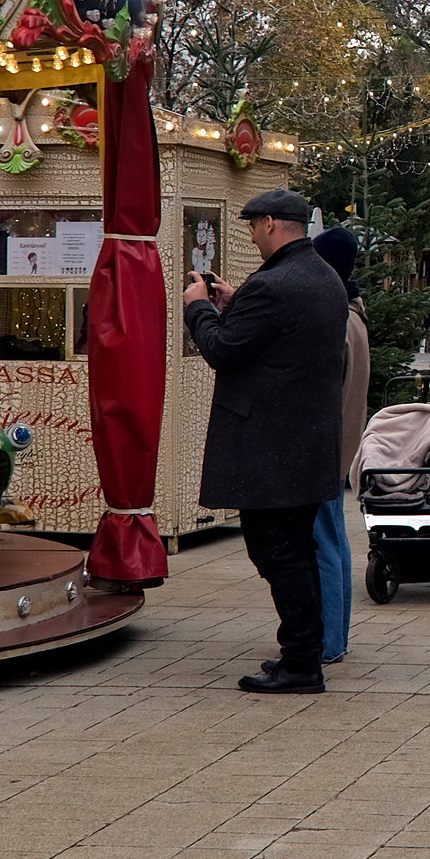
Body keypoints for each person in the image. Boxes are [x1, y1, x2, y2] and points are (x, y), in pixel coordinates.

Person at [184, 189, 351, 694]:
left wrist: (199, 309)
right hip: (308, 442)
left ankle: (301, 661)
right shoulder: (324, 279)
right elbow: (284, 336)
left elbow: (223, 351)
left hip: (269, 447)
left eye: (254, 226)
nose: (253, 236)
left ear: (274, 224)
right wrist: (237, 303)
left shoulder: (273, 285)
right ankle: (302, 653)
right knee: (295, 549)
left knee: (277, 553)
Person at [309, 228, 375, 665]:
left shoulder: (336, 319)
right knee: (334, 540)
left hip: (323, 446)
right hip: (343, 445)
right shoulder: (355, 314)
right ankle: (338, 634)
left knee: (323, 544)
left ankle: (329, 639)